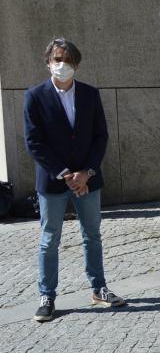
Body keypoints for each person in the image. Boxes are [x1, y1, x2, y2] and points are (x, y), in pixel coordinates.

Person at [24, 38, 125, 322]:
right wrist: (65, 174)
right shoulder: (35, 96)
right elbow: (34, 142)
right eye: (57, 59)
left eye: (68, 61)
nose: (62, 65)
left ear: (76, 65)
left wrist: (86, 172)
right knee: (49, 239)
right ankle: (47, 296)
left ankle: (98, 288)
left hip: (88, 179)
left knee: (92, 235)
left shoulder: (90, 95)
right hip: (53, 182)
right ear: (47, 62)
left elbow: (100, 136)